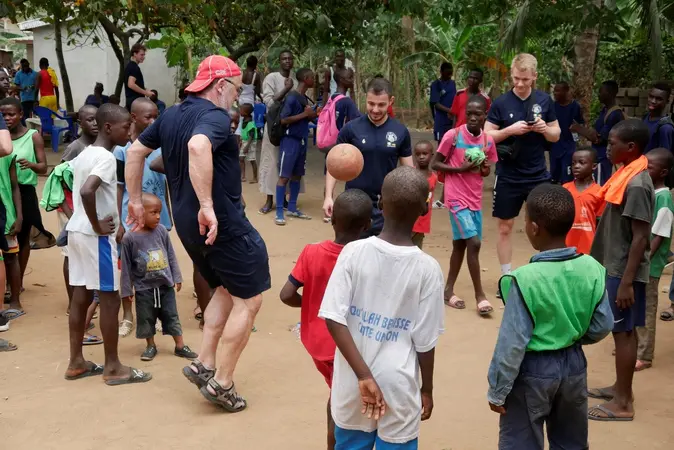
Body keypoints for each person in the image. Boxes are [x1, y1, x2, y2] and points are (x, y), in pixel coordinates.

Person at [125, 55, 270, 411]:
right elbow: (198, 146)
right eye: (235, 89)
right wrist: (208, 205)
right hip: (221, 223)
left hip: (189, 226)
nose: (236, 97)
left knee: (223, 287)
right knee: (249, 300)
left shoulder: (171, 114)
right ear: (220, 85)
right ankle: (222, 383)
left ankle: (204, 362)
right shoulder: (215, 117)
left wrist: (133, 201)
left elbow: (135, 151)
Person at [319, 166, 444, 450]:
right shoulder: (428, 269)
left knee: (350, 442)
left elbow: (334, 319)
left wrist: (363, 375)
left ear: (380, 204)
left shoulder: (353, 252)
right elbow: (425, 342)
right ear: (425, 210)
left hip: (353, 379)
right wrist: (427, 389)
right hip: (398, 383)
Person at [488, 183, 613, 449]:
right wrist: (572, 335)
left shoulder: (522, 279)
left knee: (522, 441)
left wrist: (498, 390)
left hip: (533, 369)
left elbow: (512, 343)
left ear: (534, 228)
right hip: (574, 365)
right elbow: (603, 325)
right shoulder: (592, 267)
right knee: (571, 441)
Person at [65, 103, 152, 385]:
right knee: (110, 298)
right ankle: (112, 366)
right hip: (95, 237)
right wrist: (97, 225)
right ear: (107, 128)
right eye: (126, 126)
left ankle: (76, 361)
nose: (130, 130)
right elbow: (87, 190)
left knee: (80, 294)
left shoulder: (85, 154)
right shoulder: (105, 157)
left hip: (76, 233)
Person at [280, 188, 372, 450]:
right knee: (342, 403)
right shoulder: (365, 258)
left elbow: (287, 294)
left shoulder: (311, 252)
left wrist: (314, 305)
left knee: (338, 396)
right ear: (368, 225)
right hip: (345, 347)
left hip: (315, 343)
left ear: (332, 220)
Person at [588, 119, 654, 422]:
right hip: (615, 266)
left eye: (612, 143)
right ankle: (619, 388)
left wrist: (627, 282)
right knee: (621, 331)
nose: (607, 146)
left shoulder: (638, 183)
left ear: (631, 148)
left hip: (622, 271)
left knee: (624, 332)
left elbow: (641, 236)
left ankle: (624, 403)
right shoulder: (625, 174)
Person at [485, 53, 561, 295]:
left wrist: (544, 129)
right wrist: (509, 130)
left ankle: (543, 276)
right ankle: (506, 278)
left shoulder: (544, 101)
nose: (519, 84)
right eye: (516, 78)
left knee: (545, 225)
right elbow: (486, 136)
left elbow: (556, 134)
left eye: (525, 79)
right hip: (508, 174)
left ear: (534, 77)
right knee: (505, 227)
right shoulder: (500, 103)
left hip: (537, 173)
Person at [432, 95, 498, 315]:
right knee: (474, 243)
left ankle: (448, 290)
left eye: (477, 114)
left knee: (460, 245)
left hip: (474, 199)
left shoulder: (488, 141)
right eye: (468, 113)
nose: (472, 118)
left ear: (484, 116)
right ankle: (480, 295)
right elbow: (435, 163)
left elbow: (486, 170)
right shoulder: (453, 135)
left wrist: (483, 167)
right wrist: (459, 170)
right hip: (455, 197)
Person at [323, 77, 413, 236]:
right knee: (352, 255)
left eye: (381, 104)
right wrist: (328, 197)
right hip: (353, 204)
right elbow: (333, 165)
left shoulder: (400, 131)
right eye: (371, 104)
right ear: (366, 99)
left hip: (385, 206)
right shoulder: (351, 129)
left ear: (391, 101)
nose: (375, 109)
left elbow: (409, 172)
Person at [114, 97, 171, 338]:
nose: (154, 121)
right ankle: (128, 315)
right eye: (148, 117)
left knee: (156, 268)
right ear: (134, 118)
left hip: (157, 218)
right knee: (128, 270)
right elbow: (119, 187)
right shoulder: (122, 151)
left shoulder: (161, 147)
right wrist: (119, 221)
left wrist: (168, 214)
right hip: (132, 220)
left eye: (157, 116)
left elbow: (166, 184)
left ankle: (155, 314)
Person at [120, 193, 197, 361]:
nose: (157, 216)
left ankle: (180, 345)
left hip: (165, 285)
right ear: (139, 213)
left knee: (172, 315)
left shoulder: (161, 231)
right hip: (143, 288)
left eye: (159, 212)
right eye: (153, 212)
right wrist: (127, 290)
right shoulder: (129, 238)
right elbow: (126, 266)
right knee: (146, 318)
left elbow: (170, 254)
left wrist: (176, 277)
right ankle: (150, 346)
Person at [0, 98, 52, 296]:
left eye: (11, 114)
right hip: (4, 190)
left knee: (22, 238)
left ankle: (17, 281)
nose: (7, 118)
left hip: (24, 191)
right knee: (6, 237)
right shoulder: (1, 137)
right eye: (3, 114)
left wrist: (30, 165)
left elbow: (43, 167)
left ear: (21, 114)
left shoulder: (33, 136)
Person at [635, 147, 674, 371]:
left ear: (663, 172)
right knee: (638, 304)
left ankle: (645, 355)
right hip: (643, 260)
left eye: (649, 168)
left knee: (648, 308)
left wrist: (644, 257)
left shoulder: (665, 199)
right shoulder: (651, 193)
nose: (644, 170)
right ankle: (637, 345)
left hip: (650, 263)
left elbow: (660, 235)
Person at [259, 50, 298, 214]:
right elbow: (269, 102)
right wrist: (286, 89)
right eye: (284, 58)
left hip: (289, 128)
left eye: (290, 58)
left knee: (285, 163)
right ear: (279, 61)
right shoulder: (272, 78)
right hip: (273, 127)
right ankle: (269, 200)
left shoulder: (295, 81)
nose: (287, 61)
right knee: (270, 161)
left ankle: (283, 198)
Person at [276, 67, 317, 226]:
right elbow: (283, 120)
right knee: (284, 176)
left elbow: (303, 119)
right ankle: (280, 211)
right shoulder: (292, 97)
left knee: (297, 175)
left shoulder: (303, 98)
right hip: (290, 140)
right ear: (306, 78)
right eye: (312, 77)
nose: (314, 80)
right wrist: (305, 115)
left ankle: (292, 207)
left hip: (301, 140)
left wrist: (312, 115)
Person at [321, 67, 361, 223]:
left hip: (329, 142)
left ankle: (327, 205)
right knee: (339, 174)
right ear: (342, 80)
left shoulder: (333, 98)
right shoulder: (346, 101)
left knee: (330, 174)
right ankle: (333, 209)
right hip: (341, 145)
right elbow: (357, 121)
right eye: (349, 77)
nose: (352, 80)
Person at [571, 80, 624, 186]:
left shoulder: (614, 115)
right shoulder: (605, 111)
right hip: (600, 158)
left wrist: (578, 129)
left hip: (604, 159)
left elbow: (598, 139)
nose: (599, 94)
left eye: (601, 91)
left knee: (601, 186)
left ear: (609, 93)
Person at [563, 147, 605, 255]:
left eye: (582, 163)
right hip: (565, 247)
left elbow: (600, 223)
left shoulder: (599, 192)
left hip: (588, 248)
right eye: (573, 163)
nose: (576, 166)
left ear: (594, 166)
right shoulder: (565, 189)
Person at [0, 136, 23, 318]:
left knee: (11, 257)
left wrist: (19, 215)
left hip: (6, 213)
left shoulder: (7, 152)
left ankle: (15, 300)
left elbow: (15, 186)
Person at [550, 81, 584, 184]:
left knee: (567, 176)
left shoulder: (575, 106)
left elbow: (580, 124)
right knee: (553, 176)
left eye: (558, 91)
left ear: (565, 91)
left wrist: (576, 129)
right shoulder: (552, 106)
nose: (555, 93)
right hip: (555, 147)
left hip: (569, 146)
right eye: (554, 91)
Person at [411, 141, 437, 250]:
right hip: (408, 221)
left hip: (422, 222)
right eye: (418, 154)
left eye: (424, 154)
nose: (421, 157)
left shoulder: (434, 177)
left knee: (417, 251)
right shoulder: (410, 174)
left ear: (431, 155)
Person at [430, 62, 456, 142]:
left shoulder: (452, 83)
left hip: (451, 119)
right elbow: (436, 104)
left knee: (452, 141)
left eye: (450, 73)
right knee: (441, 142)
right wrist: (450, 110)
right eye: (447, 73)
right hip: (441, 119)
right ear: (441, 72)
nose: (449, 75)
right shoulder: (435, 84)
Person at [643, 83, 673, 153]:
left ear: (667, 101)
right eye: (651, 97)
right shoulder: (646, 117)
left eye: (659, 99)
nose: (653, 101)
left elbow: (663, 158)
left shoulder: (665, 128)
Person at [124, 44, 153, 111]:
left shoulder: (130, 66)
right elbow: (131, 84)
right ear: (135, 54)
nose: (143, 57)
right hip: (135, 101)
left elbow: (135, 84)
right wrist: (146, 93)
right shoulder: (134, 67)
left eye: (144, 55)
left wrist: (145, 89)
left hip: (132, 101)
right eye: (141, 55)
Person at [238, 103, 259, 184]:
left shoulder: (250, 123)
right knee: (241, 158)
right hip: (245, 141)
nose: (240, 111)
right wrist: (241, 140)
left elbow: (251, 135)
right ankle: (243, 176)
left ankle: (255, 177)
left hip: (250, 142)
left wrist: (247, 146)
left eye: (241, 110)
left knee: (252, 160)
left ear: (246, 113)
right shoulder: (244, 120)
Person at [13, 59, 38, 125]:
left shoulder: (35, 74)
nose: (25, 68)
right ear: (21, 66)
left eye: (26, 66)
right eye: (23, 66)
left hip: (34, 99)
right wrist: (22, 88)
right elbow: (16, 86)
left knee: (36, 116)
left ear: (28, 65)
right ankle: (25, 130)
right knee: (25, 117)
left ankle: (35, 130)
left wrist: (34, 86)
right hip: (24, 99)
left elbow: (37, 86)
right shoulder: (18, 74)